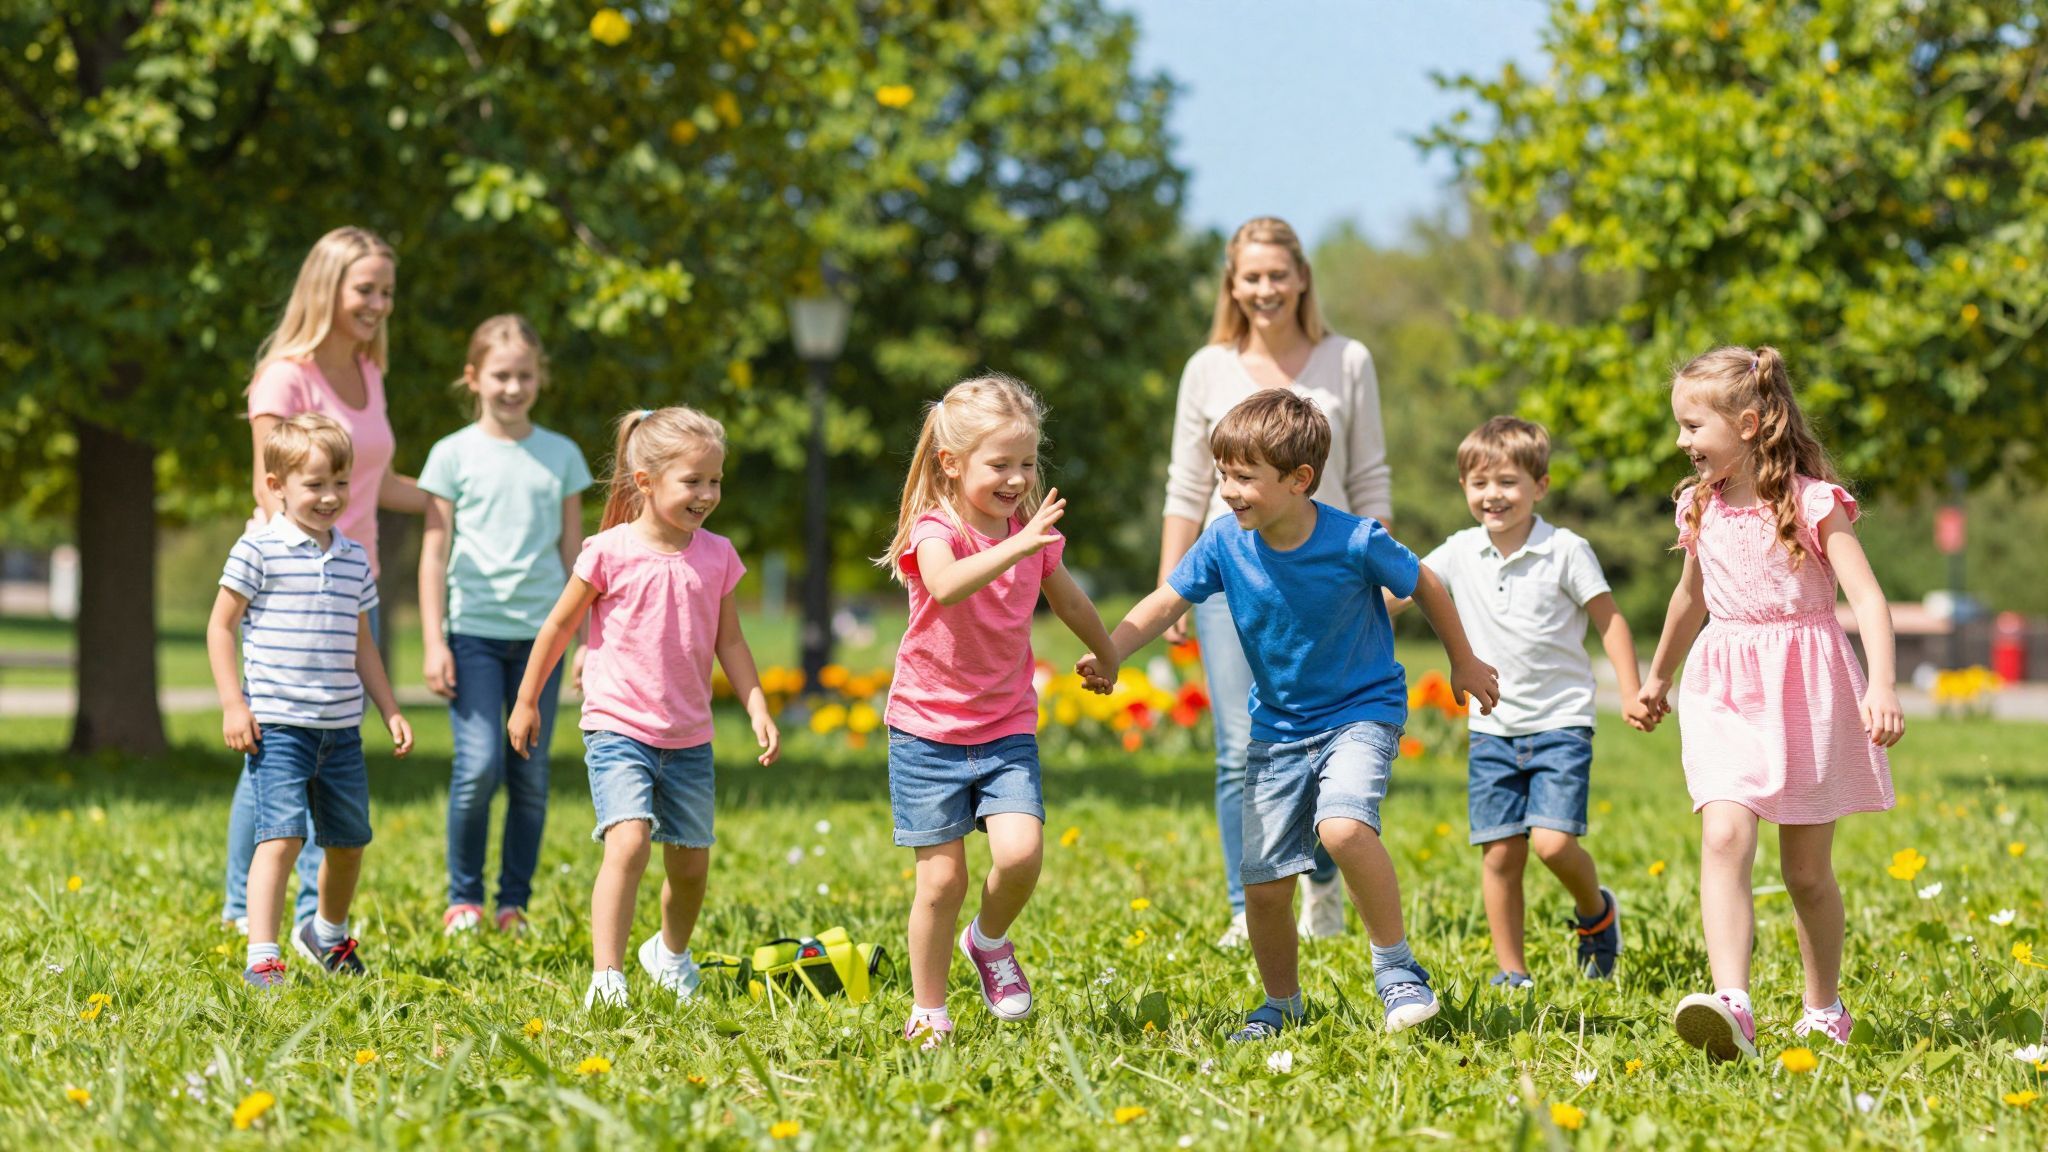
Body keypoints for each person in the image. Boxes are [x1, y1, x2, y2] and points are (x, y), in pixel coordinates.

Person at [1087, 390, 1499, 1040]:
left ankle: (1398, 973)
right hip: (1279, 728)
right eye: (1223, 473)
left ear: (1299, 479)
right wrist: (1110, 651)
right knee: (1267, 886)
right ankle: (1281, 1004)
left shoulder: (1353, 539)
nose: (1228, 490)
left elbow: (1424, 582)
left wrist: (1465, 662)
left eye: (1244, 476)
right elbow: (1166, 601)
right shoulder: (1224, 542)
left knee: (1341, 829)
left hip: (1361, 709)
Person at [1637, 346, 1904, 1061]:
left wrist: (1881, 683)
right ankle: (1734, 1004)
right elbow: (1689, 598)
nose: (1681, 442)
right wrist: (1657, 677)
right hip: (1724, 684)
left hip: (1807, 688)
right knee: (1724, 833)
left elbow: (1868, 598)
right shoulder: (1699, 505)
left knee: (1806, 873)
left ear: (1749, 422)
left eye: (1693, 426)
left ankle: (1824, 1010)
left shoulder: (1815, 503)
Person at [1159, 216, 1393, 947]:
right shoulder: (1207, 367)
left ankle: (1323, 881)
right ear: (1232, 284)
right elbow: (1186, 484)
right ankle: (1247, 902)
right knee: (1242, 746)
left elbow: (1368, 473)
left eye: (1277, 275)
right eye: (1250, 277)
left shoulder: (1346, 359)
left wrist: (1384, 568)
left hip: (1334, 581)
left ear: (1301, 279)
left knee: (1327, 740)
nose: (1265, 289)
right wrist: (1171, 585)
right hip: (1234, 578)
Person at [874, 374, 1120, 1049]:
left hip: (1004, 724)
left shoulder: (1030, 537)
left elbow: (1067, 599)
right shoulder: (936, 530)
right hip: (927, 729)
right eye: (1001, 464)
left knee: (1020, 853)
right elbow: (949, 587)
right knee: (941, 878)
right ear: (952, 465)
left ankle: (987, 941)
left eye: (1027, 463)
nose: (1018, 479)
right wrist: (1020, 543)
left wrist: (1107, 649)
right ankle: (929, 1009)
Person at [508, 407, 779, 1011]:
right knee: (628, 842)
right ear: (646, 480)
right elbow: (558, 626)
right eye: (693, 481)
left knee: (689, 865)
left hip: (688, 734)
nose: (707, 494)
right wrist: (528, 700)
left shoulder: (717, 556)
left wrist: (756, 703)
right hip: (618, 725)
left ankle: (669, 953)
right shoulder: (608, 551)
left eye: (715, 481)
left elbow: (729, 640)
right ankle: (607, 975)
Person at [222, 226, 427, 936]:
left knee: (328, 742)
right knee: (273, 743)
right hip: (287, 573)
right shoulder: (286, 374)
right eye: (365, 289)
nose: (378, 304)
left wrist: (440, 498)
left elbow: (375, 480)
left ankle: (314, 919)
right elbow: (268, 480)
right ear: (328, 288)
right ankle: (244, 910)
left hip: (351, 575)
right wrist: (305, 556)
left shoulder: (369, 372)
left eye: (387, 291)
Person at [1397, 417, 1651, 989]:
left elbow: (1609, 621)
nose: (1493, 495)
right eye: (1479, 482)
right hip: (1492, 725)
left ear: (1541, 485)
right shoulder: (1459, 551)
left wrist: (1631, 690)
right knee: (1500, 855)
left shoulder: (1565, 550)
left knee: (1554, 844)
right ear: (1464, 488)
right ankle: (1512, 972)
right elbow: (1406, 589)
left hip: (1561, 720)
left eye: (1509, 482)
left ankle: (1596, 912)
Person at [206, 415, 414, 989]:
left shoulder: (353, 559)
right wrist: (233, 703)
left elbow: (362, 641)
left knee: (349, 843)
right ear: (276, 486)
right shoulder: (258, 549)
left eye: (341, 483)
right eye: (315, 484)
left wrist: (390, 708)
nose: (330, 496)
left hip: (341, 728)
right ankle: (263, 955)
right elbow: (221, 627)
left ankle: (325, 931)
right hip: (278, 725)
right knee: (282, 837)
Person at [418, 316, 593, 937]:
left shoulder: (562, 456)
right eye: (500, 376)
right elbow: (434, 553)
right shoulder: (451, 454)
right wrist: (434, 640)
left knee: (531, 775)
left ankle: (511, 902)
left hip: (541, 639)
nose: (512, 387)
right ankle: (462, 898)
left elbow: (581, 561)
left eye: (524, 375)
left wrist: (584, 644)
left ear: (540, 379)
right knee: (477, 767)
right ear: (474, 378)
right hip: (472, 634)